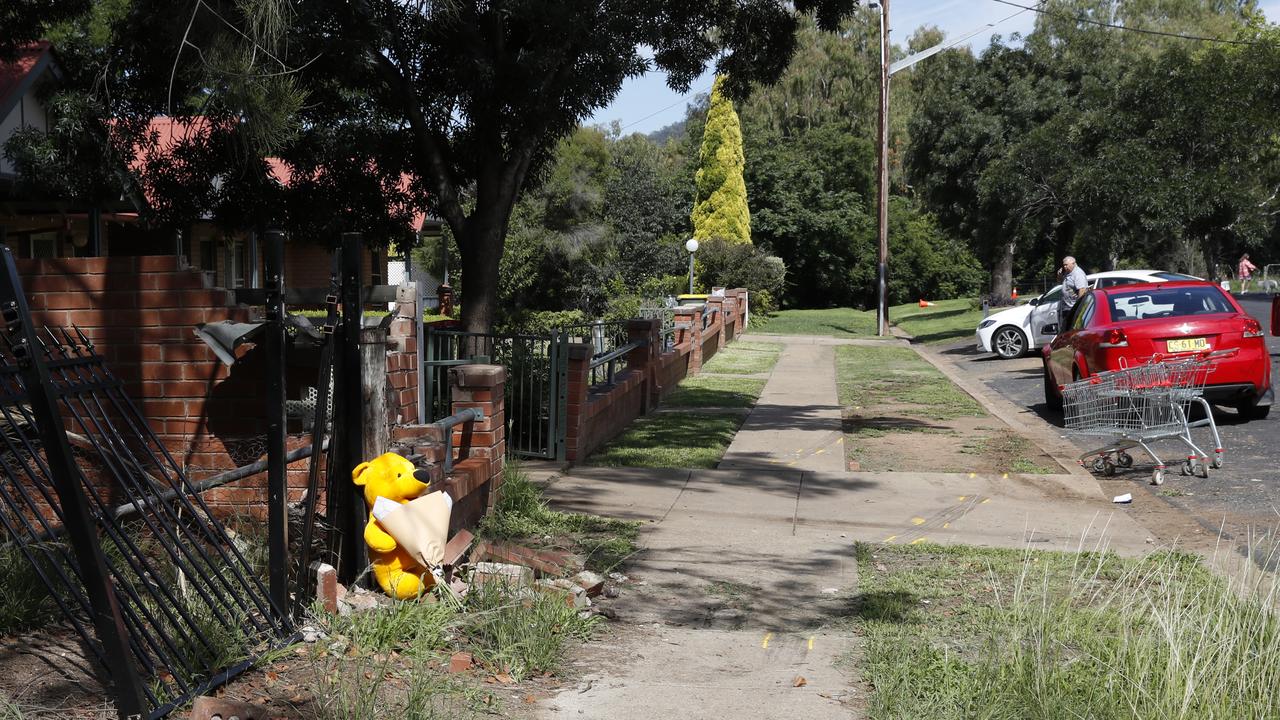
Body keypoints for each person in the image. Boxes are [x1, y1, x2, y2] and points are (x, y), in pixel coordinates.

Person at [1057, 256, 1088, 331]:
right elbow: (1061, 283)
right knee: (1065, 329)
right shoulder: (1068, 273)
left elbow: (1082, 290)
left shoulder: (1078, 274)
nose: (1064, 267)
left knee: (1072, 330)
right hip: (1067, 307)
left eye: (1066, 265)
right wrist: (1059, 276)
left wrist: (1078, 307)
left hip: (1073, 308)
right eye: (1064, 265)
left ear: (1073, 263)